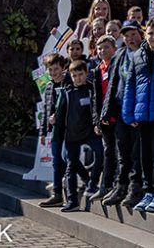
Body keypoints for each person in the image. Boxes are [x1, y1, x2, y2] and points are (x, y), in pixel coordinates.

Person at [122, 18, 154, 213]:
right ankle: (148, 191)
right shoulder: (137, 55)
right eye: (151, 33)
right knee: (144, 156)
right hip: (142, 114)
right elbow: (130, 85)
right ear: (145, 34)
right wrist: (128, 112)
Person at [101, 23, 144, 208]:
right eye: (126, 36)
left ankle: (135, 187)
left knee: (136, 152)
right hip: (119, 108)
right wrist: (106, 109)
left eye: (133, 34)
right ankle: (121, 186)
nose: (130, 38)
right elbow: (112, 83)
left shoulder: (144, 53)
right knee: (122, 151)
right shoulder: (120, 54)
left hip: (138, 110)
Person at [57, 59, 103, 212]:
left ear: (86, 73)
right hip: (71, 134)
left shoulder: (92, 89)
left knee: (101, 153)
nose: (78, 78)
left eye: (80, 74)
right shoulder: (67, 92)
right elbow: (59, 112)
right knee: (71, 165)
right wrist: (54, 121)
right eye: (74, 75)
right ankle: (72, 200)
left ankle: (92, 183)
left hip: (90, 131)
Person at [37, 53, 70, 208]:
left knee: (69, 160)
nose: (53, 73)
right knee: (57, 162)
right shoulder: (49, 86)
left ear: (63, 68)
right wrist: (43, 131)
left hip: (70, 129)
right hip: (55, 131)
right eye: (50, 70)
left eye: (56, 69)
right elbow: (46, 109)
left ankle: (70, 192)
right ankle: (57, 194)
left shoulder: (69, 83)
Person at [89, 35, 118, 202]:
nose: (103, 51)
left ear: (114, 48)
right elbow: (96, 98)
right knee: (108, 152)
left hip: (118, 117)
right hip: (104, 119)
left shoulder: (117, 65)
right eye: (100, 48)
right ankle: (105, 186)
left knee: (119, 152)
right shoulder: (97, 70)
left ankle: (117, 185)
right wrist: (96, 120)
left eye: (106, 47)